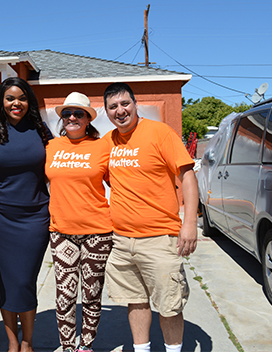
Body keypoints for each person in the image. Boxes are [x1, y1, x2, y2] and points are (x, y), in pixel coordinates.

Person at [101, 83, 198, 352]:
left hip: (160, 238)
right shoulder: (108, 142)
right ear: (107, 112)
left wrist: (189, 224)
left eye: (124, 104)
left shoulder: (160, 133)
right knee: (136, 300)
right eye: (113, 107)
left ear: (135, 104)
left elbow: (187, 177)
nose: (120, 111)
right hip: (121, 241)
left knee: (169, 304)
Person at [0, 77, 52, 352]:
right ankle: (11, 342)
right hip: (1, 219)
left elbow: (60, 166)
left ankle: (28, 342)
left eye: (21, 97)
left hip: (36, 218)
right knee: (5, 281)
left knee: (24, 280)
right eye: (9, 98)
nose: (16, 103)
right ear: (1, 103)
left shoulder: (41, 131)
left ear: (29, 101)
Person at [45, 92, 113, 352]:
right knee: (65, 295)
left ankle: (86, 346)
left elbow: (119, 183)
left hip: (98, 231)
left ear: (88, 119)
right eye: (67, 113)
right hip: (61, 231)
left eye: (78, 114)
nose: (72, 117)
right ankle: (67, 347)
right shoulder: (51, 147)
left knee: (92, 293)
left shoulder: (102, 147)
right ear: (62, 119)